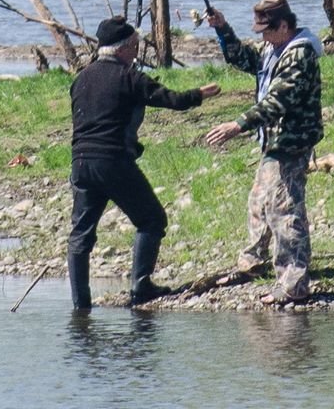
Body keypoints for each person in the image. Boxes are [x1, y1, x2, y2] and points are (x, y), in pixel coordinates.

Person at [68, 16, 221, 310]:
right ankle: (141, 288)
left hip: (80, 163)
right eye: (136, 46)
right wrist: (199, 94)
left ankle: (80, 304)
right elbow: (170, 99)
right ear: (124, 48)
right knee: (151, 219)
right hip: (113, 161)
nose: (138, 52)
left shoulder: (81, 79)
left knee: (80, 234)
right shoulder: (129, 77)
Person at [205, 0, 324, 304]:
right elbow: (242, 58)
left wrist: (238, 124)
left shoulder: (300, 55)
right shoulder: (274, 47)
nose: (262, 37)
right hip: (274, 141)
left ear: (284, 25)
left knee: (285, 210)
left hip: (291, 141)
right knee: (259, 202)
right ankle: (253, 261)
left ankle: (293, 282)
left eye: (266, 30)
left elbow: (279, 100)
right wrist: (223, 29)